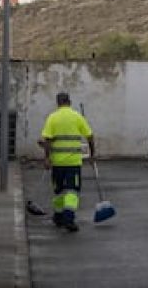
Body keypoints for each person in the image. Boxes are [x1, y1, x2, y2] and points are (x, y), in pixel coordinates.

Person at [41, 92, 95, 232]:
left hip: (57, 163)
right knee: (72, 191)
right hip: (73, 162)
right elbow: (90, 136)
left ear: (57, 102)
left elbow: (47, 140)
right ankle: (68, 219)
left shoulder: (52, 118)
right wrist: (92, 154)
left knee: (58, 191)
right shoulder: (77, 117)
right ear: (69, 101)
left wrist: (47, 158)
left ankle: (58, 216)